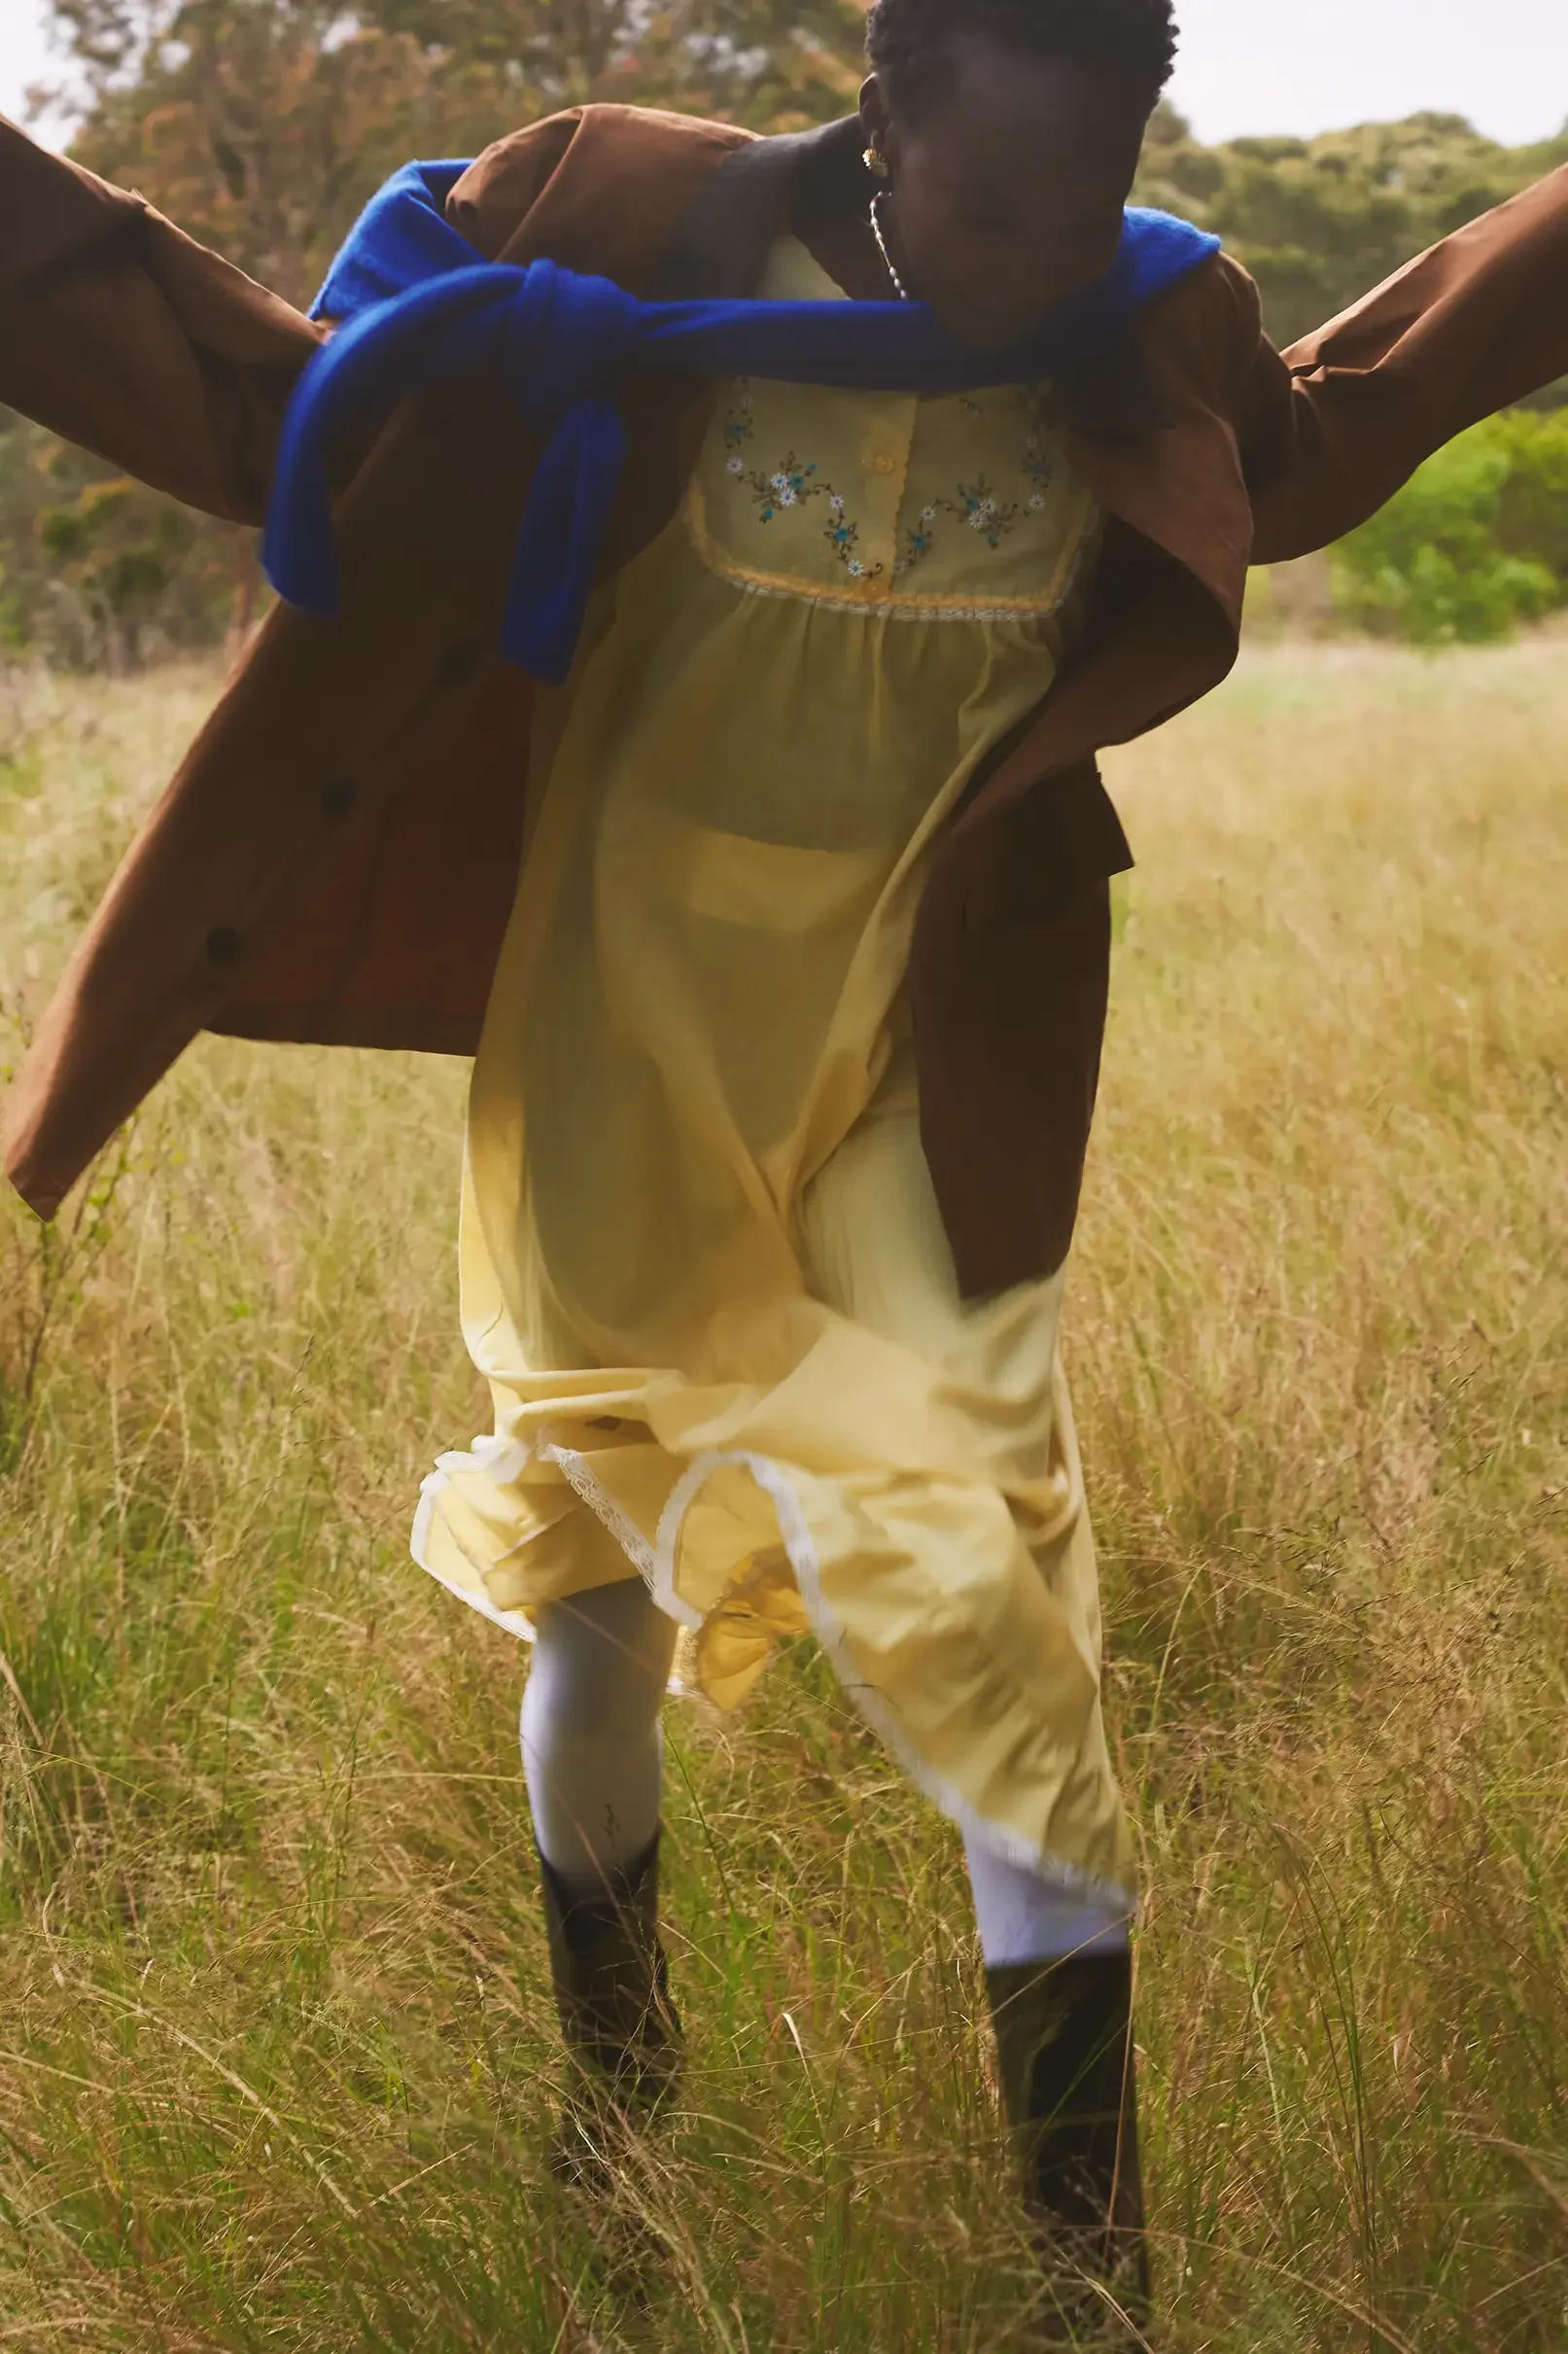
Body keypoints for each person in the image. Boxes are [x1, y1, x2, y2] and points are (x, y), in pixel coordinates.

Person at [3, 0, 1566, 2333]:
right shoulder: (623, 247)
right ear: (881, 115)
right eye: (988, 204)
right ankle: (617, 2101)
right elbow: (271, 398)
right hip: (620, 1066)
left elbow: (1365, 398)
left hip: (914, 1073)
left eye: (1080, 204)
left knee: (989, 1591)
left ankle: (1082, 2259)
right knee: (605, 1600)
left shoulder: (1136, 323)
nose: (1027, 263)